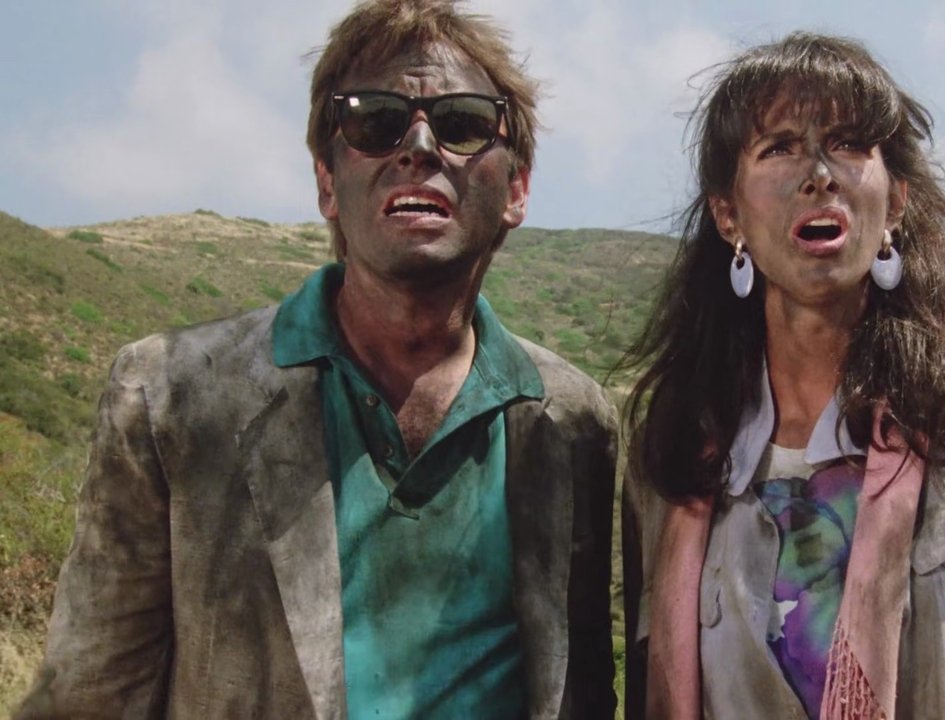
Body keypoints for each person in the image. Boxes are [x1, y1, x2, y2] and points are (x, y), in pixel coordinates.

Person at [18, 1, 617, 717]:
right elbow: (90, 696)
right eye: (375, 121)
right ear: (327, 183)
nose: (419, 146)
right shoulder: (169, 398)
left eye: (462, 123)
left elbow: (584, 685)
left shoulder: (573, 421)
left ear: (516, 189)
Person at [622, 32, 945, 719]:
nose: (819, 174)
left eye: (847, 143)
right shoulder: (673, 454)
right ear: (729, 216)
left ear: (895, 202)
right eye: (779, 147)